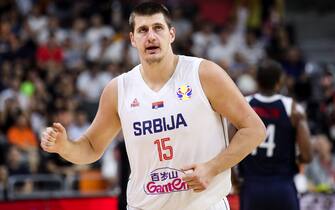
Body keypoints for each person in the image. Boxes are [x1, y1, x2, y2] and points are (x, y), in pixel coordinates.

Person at [41, 2, 266, 210]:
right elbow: (90, 147)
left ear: (171, 34)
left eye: (158, 28)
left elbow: (254, 129)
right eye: (143, 30)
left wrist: (213, 167)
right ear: (132, 39)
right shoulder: (118, 89)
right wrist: (64, 147)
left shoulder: (204, 74)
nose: (151, 36)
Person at [237, 59, 312, 210]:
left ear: (257, 81)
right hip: (283, 185)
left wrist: (234, 180)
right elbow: (307, 156)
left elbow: (228, 145)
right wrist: (296, 159)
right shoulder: (292, 108)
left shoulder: (244, 104)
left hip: (252, 186)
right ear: (280, 81)